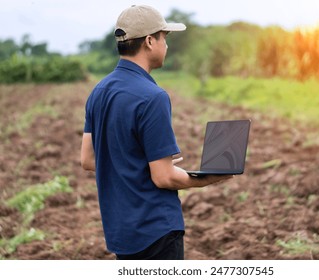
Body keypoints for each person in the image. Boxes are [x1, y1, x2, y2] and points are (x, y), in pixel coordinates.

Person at [80, 5, 232, 260]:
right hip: (156, 231)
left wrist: (139, 162)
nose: (167, 45)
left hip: (122, 232)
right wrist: (207, 179)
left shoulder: (99, 91)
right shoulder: (152, 97)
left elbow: (87, 159)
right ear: (150, 41)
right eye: (164, 38)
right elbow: (163, 178)